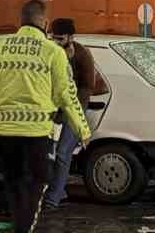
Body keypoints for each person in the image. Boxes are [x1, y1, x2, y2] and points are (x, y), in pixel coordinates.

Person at [0, 0, 90, 233]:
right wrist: (83, 130)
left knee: (14, 185)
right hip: (35, 133)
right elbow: (67, 96)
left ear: (20, 20)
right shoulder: (52, 52)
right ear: (45, 24)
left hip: (3, 132)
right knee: (35, 186)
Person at [44, 17, 109, 208]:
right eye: (53, 38)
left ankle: (52, 199)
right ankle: (57, 190)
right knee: (48, 154)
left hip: (73, 112)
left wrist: (71, 110)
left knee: (64, 153)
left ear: (71, 37)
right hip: (52, 112)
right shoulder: (49, 51)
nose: (56, 42)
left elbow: (87, 88)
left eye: (60, 39)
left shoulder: (82, 54)